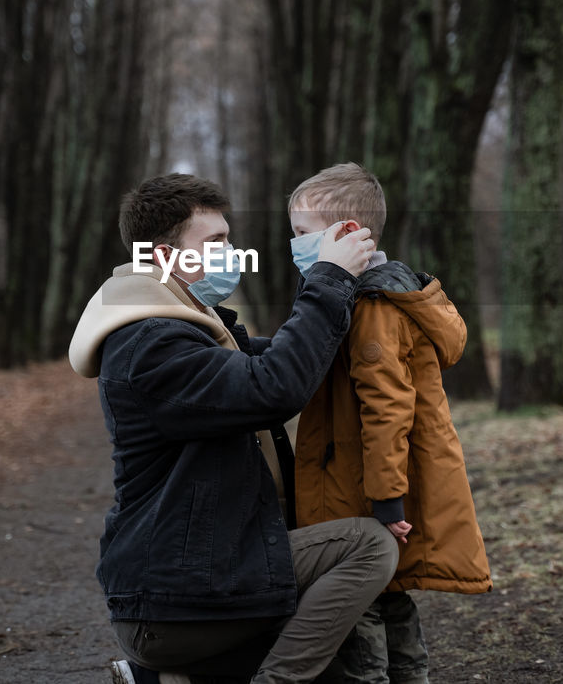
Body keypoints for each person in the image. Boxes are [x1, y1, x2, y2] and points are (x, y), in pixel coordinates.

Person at [69, 173, 400, 684]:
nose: (232, 253)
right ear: (163, 256)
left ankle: (169, 680)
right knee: (368, 546)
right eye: (217, 242)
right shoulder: (151, 344)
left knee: (337, 668)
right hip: (175, 600)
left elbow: (284, 359)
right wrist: (329, 278)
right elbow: (273, 388)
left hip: (200, 577)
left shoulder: (186, 326)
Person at [287, 163, 492, 684]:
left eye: (303, 235)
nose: (295, 246)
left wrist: (385, 499)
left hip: (363, 490)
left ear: (349, 233)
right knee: (391, 601)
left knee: (358, 616)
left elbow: (387, 408)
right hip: (369, 484)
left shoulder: (371, 307)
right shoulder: (371, 297)